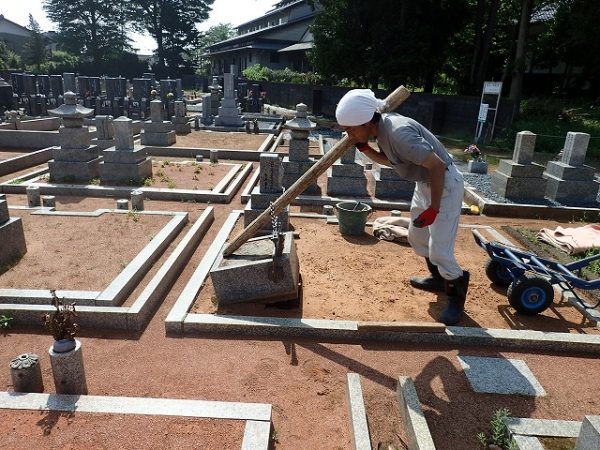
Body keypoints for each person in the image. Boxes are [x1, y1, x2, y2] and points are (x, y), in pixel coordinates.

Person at [335, 89, 469, 325]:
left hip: (444, 185)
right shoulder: (381, 132)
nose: (348, 134)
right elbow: (393, 160)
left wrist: (434, 208)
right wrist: (366, 149)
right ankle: (438, 278)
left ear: (367, 122)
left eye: (350, 129)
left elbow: (436, 166)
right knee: (417, 237)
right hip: (425, 183)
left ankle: (456, 297)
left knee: (440, 249)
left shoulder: (398, 133)